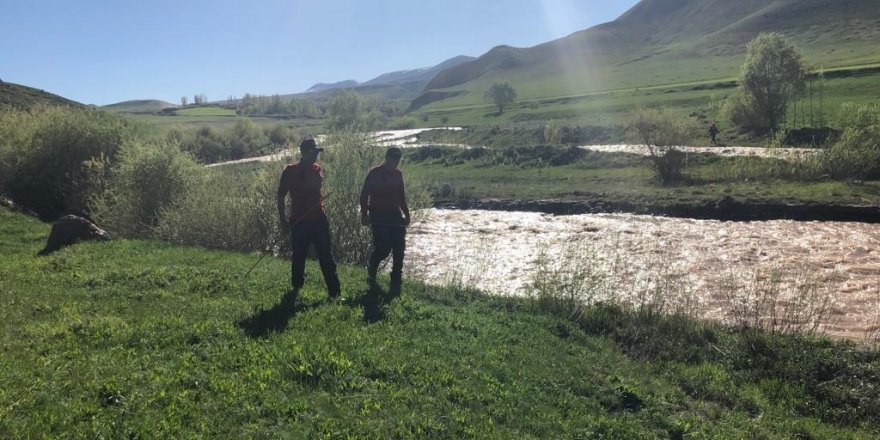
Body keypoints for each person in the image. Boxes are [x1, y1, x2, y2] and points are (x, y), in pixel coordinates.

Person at [277, 138, 341, 300]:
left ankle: (335, 292)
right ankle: (296, 287)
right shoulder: (289, 171)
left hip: (319, 219)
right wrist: (283, 221)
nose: (315, 156)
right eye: (313, 152)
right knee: (299, 255)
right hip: (299, 221)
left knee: (326, 255)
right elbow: (280, 196)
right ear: (303, 153)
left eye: (317, 152)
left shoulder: (318, 169)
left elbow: (314, 191)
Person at [360, 147, 411, 291]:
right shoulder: (374, 173)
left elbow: (401, 196)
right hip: (378, 216)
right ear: (387, 158)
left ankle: (396, 281)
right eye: (394, 158)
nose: (396, 161)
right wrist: (364, 215)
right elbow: (364, 196)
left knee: (399, 248)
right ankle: (372, 267)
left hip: (395, 215)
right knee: (383, 248)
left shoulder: (398, 174)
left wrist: (406, 214)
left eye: (398, 159)